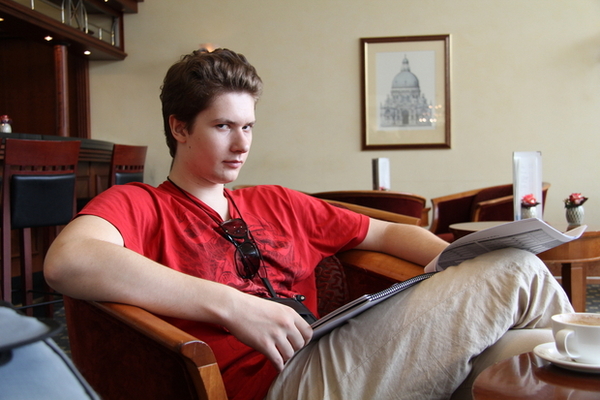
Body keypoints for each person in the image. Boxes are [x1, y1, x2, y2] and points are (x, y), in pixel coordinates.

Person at [44, 49, 573, 400]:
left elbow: (386, 233)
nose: (242, 144)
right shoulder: (142, 204)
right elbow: (69, 261)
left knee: (529, 351)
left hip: (333, 349)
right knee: (516, 269)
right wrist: (232, 305)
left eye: (249, 126)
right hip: (279, 383)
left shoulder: (275, 201)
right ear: (179, 127)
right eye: (223, 126)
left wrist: (447, 264)